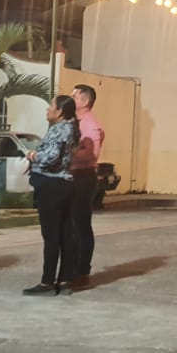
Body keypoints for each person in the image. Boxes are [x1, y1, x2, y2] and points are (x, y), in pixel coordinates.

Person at [23, 95, 80, 295]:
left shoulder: (59, 130)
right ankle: (65, 280)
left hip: (51, 186)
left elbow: (51, 157)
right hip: (64, 184)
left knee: (51, 236)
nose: (47, 109)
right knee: (65, 234)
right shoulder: (70, 129)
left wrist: (33, 155)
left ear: (60, 111)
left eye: (51, 106)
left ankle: (47, 282)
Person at [66, 83, 104, 290]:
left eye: (75, 97)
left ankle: (82, 271)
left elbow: (91, 155)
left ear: (85, 101)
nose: (71, 99)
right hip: (72, 176)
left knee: (80, 225)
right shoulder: (74, 122)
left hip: (83, 177)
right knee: (70, 225)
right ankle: (71, 268)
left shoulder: (90, 124)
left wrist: (66, 153)